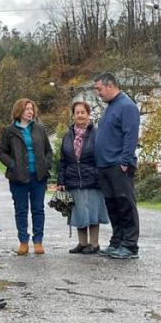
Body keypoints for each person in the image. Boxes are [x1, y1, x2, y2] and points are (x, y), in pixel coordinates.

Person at [93, 72, 141, 260]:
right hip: (105, 165)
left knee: (125, 205)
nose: (98, 93)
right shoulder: (111, 107)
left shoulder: (126, 106)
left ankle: (130, 246)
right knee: (113, 206)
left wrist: (125, 161)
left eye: (99, 89)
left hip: (118, 166)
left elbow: (131, 135)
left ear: (110, 85)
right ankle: (117, 242)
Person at [0, 98, 53, 256]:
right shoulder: (9, 131)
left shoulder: (40, 129)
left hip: (38, 176)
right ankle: (23, 241)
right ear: (19, 111)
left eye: (32, 109)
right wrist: (13, 165)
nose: (30, 111)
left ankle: (38, 241)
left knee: (38, 209)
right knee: (21, 210)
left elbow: (48, 151)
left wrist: (45, 164)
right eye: (27, 109)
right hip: (18, 177)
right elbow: (2, 152)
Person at [56, 100, 109, 254]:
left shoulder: (96, 134)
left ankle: (94, 243)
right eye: (77, 113)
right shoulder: (67, 135)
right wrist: (61, 181)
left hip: (93, 179)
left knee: (93, 211)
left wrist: (101, 177)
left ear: (88, 114)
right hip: (73, 180)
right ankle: (82, 243)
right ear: (73, 116)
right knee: (79, 212)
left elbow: (102, 157)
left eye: (82, 112)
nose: (80, 115)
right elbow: (63, 161)